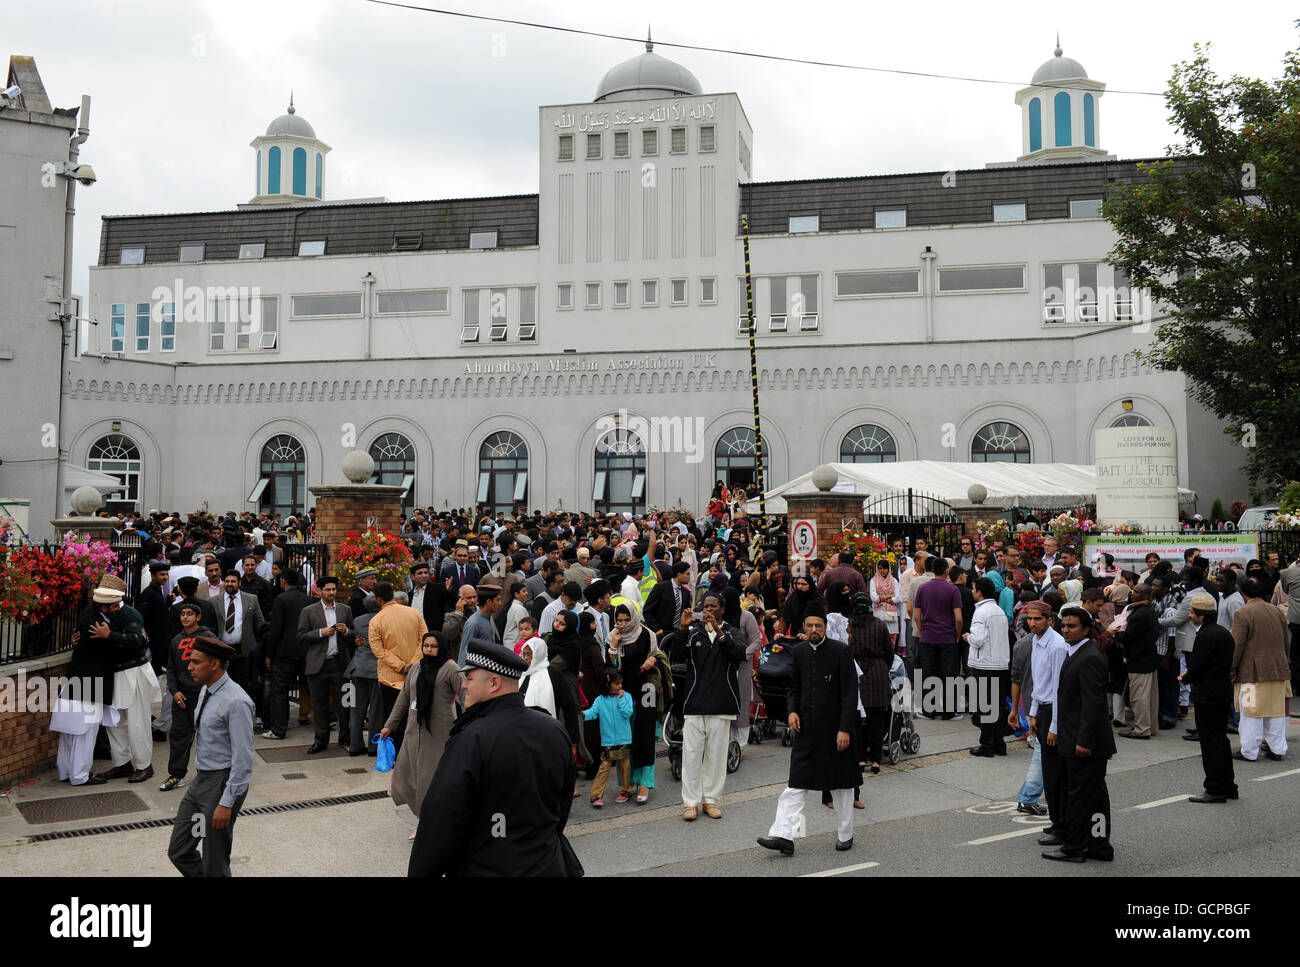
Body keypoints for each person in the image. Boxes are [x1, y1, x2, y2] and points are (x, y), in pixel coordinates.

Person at [408, 639, 581, 877]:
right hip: (547, 865)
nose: (464, 686)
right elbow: (560, 807)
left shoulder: (471, 739)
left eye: (469, 678)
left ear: (494, 683)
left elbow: (441, 819)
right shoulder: (553, 729)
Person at [757, 603, 860, 856]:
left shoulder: (841, 652)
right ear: (803, 627)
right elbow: (793, 687)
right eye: (810, 625)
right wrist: (791, 711)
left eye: (819, 626)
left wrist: (845, 729)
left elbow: (850, 694)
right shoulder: (799, 651)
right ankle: (783, 836)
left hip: (837, 730)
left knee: (842, 786)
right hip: (808, 729)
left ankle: (845, 834)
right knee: (795, 784)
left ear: (825, 627)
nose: (814, 630)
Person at [166, 636, 255, 877]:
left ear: (214, 664)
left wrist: (226, 802)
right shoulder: (206, 689)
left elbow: (243, 759)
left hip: (222, 783)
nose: (190, 667)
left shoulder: (237, 701)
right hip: (201, 781)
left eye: (196, 662)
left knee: (215, 859)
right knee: (180, 851)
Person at [1041, 608, 1115, 863]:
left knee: (1081, 797)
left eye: (1072, 626)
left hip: (1085, 743)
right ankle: (1099, 845)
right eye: (1064, 626)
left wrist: (1084, 741)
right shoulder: (1077, 653)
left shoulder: (1089, 657)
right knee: (1094, 797)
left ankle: (1074, 847)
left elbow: (1093, 704)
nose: (1066, 630)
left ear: (1086, 629)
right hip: (1079, 738)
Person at [668, 593, 746, 820]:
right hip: (695, 701)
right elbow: (676, 655)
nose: (708, 609)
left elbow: (738, 654)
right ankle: (690, 802)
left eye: (713, 606)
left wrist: (719, 632)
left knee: (716, 754)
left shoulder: (732, 632)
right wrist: (682, 629)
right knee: (691, 754)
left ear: (722, 609)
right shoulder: (693, 632)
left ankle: (711, 800)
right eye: (705, 606)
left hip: (722, 701)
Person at [381, 630, 465, 831]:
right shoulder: (417, 668)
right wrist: (389, 725)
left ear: (441, 647)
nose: (428, 650)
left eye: (433, 646)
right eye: (426, 646)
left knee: (430, 779)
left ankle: (430, 825)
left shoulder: (450, 668)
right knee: (408, 776)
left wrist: (470, 724)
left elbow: (466, 695)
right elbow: (403, 699)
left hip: (438, 733)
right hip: (413, 730)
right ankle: (422, 820)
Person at [90, 575, 161, 784]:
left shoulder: (131, 614)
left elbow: (137, 640)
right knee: (115, 722)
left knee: (138, 722)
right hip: (116, 674)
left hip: (134, 673)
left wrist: (109, 636)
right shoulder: (104, 615)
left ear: (114, 603)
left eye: (105, 605)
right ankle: (122, 764)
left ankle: (144, 766)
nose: (102, 609)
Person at [1181, 594, 1238, 802]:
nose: (1189, 615)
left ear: (1201, 616)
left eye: (1192, 612)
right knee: (1220, 740)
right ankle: (1228, 786)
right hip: (1222, 692)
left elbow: (1197, 666)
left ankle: (1214, 789)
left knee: (1210, 743)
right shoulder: (1223, 633)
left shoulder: (1205, 635)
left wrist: (1185, 677)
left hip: (1208, 694)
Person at [1231, 577, 1292, 762]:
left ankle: (1248, 751)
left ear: (1244, 593)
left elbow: (1237, 645)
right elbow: (1286, 640)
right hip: (1277, 668)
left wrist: (1232, 668)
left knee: (1250, 712)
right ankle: (1277, 749)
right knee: (1276, 711)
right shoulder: (1277, 611)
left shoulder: (1243, 612)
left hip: (1252, 671)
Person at [1025, 601, 1070, 846]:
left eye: (1038, 619)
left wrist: (1053, 726)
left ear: (1049, 620)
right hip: (1041, 709)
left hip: (1054, 711)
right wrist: (1033, 713)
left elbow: (1057, 689)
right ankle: (1057, 821)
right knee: (1048, 772)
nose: (1033, 623)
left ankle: (1062, 826)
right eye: (1030, 619)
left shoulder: (1057, 646)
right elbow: (1038, 681)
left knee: (1056, 775)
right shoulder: (1036, 640)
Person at [369, 581, 429, 755]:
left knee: (394, 717)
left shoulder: (376, 620)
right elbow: (425, 639)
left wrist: (401, 666)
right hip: (415, 673)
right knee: (415, 714)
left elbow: (378, 650)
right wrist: (414, 662)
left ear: (378, 599)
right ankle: (415, 751)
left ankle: (399, 755)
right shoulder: (414, 613)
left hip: (391, 677)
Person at [297, 575, 355, 755]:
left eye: (333, 589)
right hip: (318, 665)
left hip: (340, 664)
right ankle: (321, 740)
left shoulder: (345, 610)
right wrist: (321, 633)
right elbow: (300, 636)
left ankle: (345, 737)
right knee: (319, 704)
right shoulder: (308, 611)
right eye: (328, 590)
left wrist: (346, 631)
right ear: (319, 591)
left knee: (344, 704)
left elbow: (353, 635)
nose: (332, 593)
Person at [607, 601, 658, 803]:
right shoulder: (613, 636)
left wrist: (653, 660)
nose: (623, 623)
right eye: (619, 620)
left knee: (645, 736)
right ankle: (626, 784)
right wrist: (613, 646)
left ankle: (645, 783)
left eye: (627, 619)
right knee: (624, 738)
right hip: (623, 693)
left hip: (647, 690)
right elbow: (609, 669)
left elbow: (659, 658)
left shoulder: (647, 634)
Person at [158, 602, 207, 791]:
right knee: (179, 735)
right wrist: (174, 690)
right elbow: (171, 669)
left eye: (189, 614)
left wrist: (208, 687)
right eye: (182, 614)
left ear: (198, 617)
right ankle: (177, 775)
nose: (185, 617)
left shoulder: (206, 637)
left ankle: (208, 774)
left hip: (203, 695)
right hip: (181, 696)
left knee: (207, 735)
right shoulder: (176, 640)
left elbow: (218, 663)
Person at [965, 576, 1011, 757]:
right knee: (998, 706)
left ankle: (987, 745)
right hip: (1000, 663)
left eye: (974, 588)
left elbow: (977, 639)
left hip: (985, 664)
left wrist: (967, 637)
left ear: (980, 592)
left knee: (985, 707)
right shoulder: (998, 610)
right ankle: (999, 743)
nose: (972, 591)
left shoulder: (981, 612)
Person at [912, 558, 964, 720]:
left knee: (929, 673)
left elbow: (916, 616)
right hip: (947, 637)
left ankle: (929, 710)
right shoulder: (953, 590)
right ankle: (948, 712)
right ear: (947, 571)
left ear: (933, 570)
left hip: (927, 637)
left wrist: (923, 630)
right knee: (949, 674)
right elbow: (958, 618)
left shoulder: (922, 588)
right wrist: (956, 634)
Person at [849, 592, 893, 776]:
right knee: (877, 720)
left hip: (857, 672)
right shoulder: (880, 625)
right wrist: (883, 667)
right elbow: (889, 653)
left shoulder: (850, 627)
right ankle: (876, 760)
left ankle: (860, 758)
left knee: (859, 720)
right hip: (878, 673)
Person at [263, 569, 310, 739]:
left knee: (280, 692)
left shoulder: (281, 599)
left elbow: (276, 630)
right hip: (304, 650)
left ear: (283, 581)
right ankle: (328, 720)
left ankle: (279, 729)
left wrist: (269, 654)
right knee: (312, 688)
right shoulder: (306, 599)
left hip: (284, 653)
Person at [584, 669, 636, 806]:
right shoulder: (600, 700)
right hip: (608, 740)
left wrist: (620, 701)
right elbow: (593, 712)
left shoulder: (627, 697)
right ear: (608, 684)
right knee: (604, 767)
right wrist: (583, 714)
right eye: (616, 683)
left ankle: (626, 791)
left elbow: (628, 713)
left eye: (621, 683)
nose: (620, 686)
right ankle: (596, 795)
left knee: (624, 766)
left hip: (624, 738)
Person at [1115, 584, 1161, 740]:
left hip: (1139, 658)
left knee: (1139, 697)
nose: (1132, 594)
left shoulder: (1141, 614)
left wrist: (1116, 634)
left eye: (1136, 592)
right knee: (1150, 697)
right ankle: (1151, 727)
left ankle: (1141, 729)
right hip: (1148, 657)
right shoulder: (1147, 610)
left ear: (1146, 596)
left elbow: (1128, 636)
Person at [345, 594, 383, 756]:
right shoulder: (383, 619)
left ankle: (355, 746)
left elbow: (355, 637)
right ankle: (373, 747)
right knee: (375, 711)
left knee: (356, 709)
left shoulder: (358, 621)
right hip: (376, 670)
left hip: (357, 668)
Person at [521, 636, 557, 716]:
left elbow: (568, 703)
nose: (525, 658)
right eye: (524, 654)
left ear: (538, 653)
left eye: (529, 654)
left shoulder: (551, 673)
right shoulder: (522, 674)